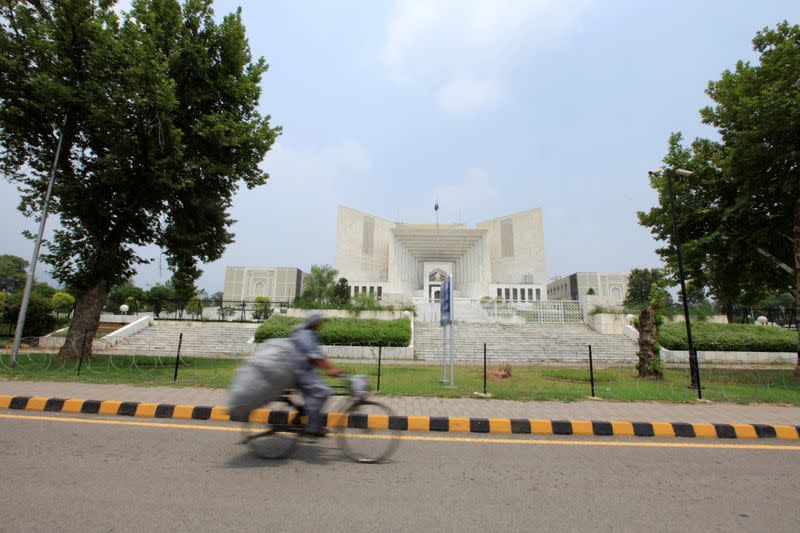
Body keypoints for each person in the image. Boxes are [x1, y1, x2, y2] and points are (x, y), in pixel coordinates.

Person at [290, 311, 343, 437]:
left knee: (315, 395)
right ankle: (313, 426)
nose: (322, 324)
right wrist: (329, 370)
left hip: (307, 371)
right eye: (320, 321)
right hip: (301, 372)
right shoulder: (306, 335)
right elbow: (315, 358)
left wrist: (331, 368)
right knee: (323, 392)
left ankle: (303, 415)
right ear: (314, 323)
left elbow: (320, 356)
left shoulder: (311, 334)